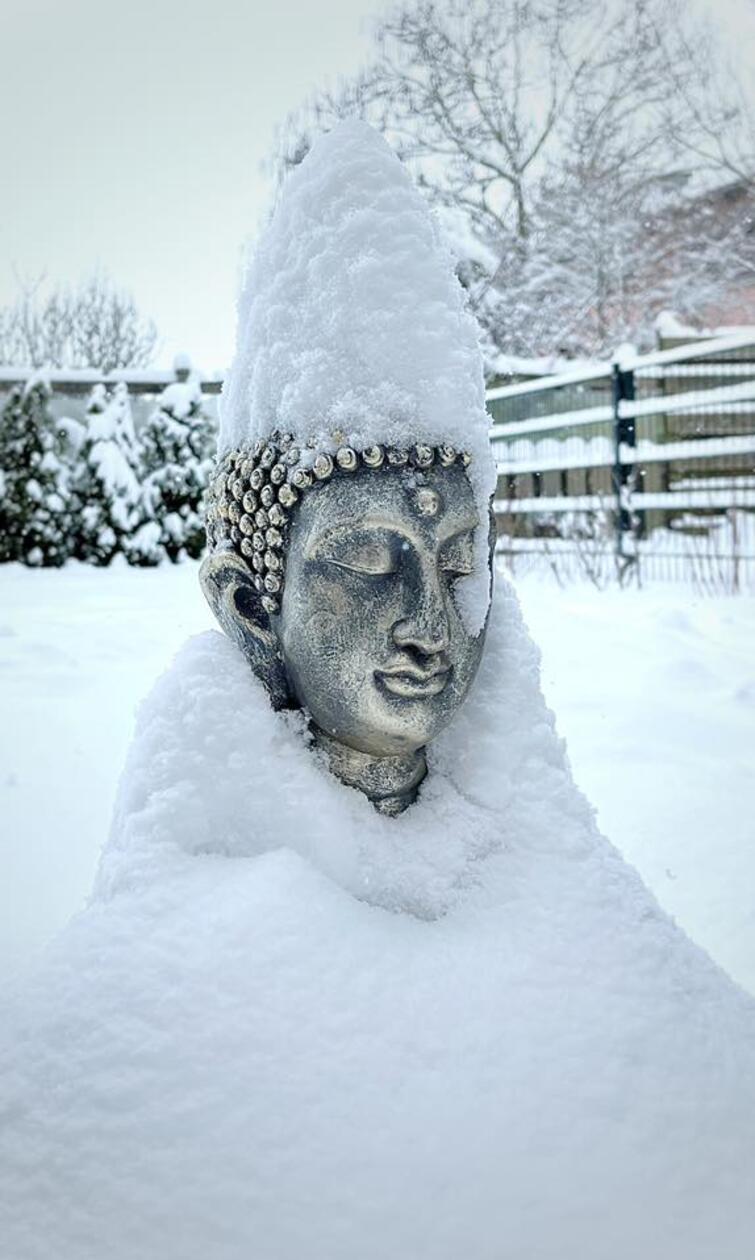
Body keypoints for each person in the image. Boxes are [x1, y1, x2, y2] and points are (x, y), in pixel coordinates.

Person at [1, 121, 754, 1260]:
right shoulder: (130, 1027)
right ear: (253, 610)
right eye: (364, 562)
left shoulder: (577, 919)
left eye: (456, 562)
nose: (426, 620)